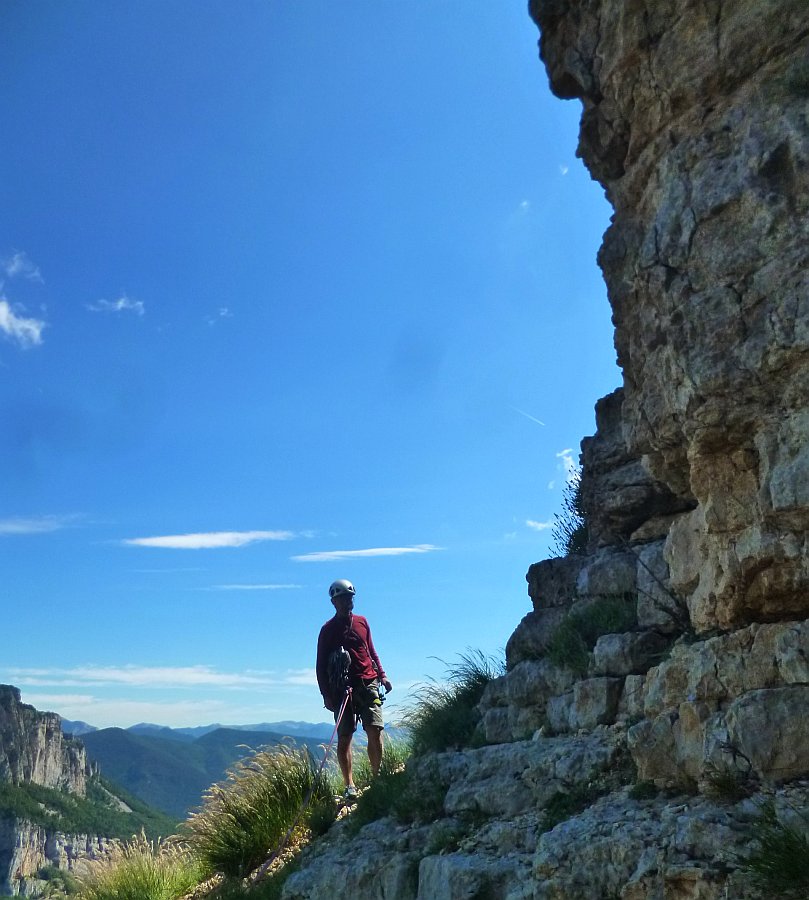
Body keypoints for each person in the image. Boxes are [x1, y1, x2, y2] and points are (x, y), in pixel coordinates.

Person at [315, 578, 393, 802]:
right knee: (345, 736)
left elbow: (371, 650)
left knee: (375, 730)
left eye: (349, 597)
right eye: (342, 598)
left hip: (368, 682)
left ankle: (378, 778)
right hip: (342, 690)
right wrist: (326, 695)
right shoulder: (328, 630)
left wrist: (382, 675)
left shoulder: (362, 622)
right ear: (333, 602)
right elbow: (320, 665)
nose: (347, 601)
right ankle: (349, 785)